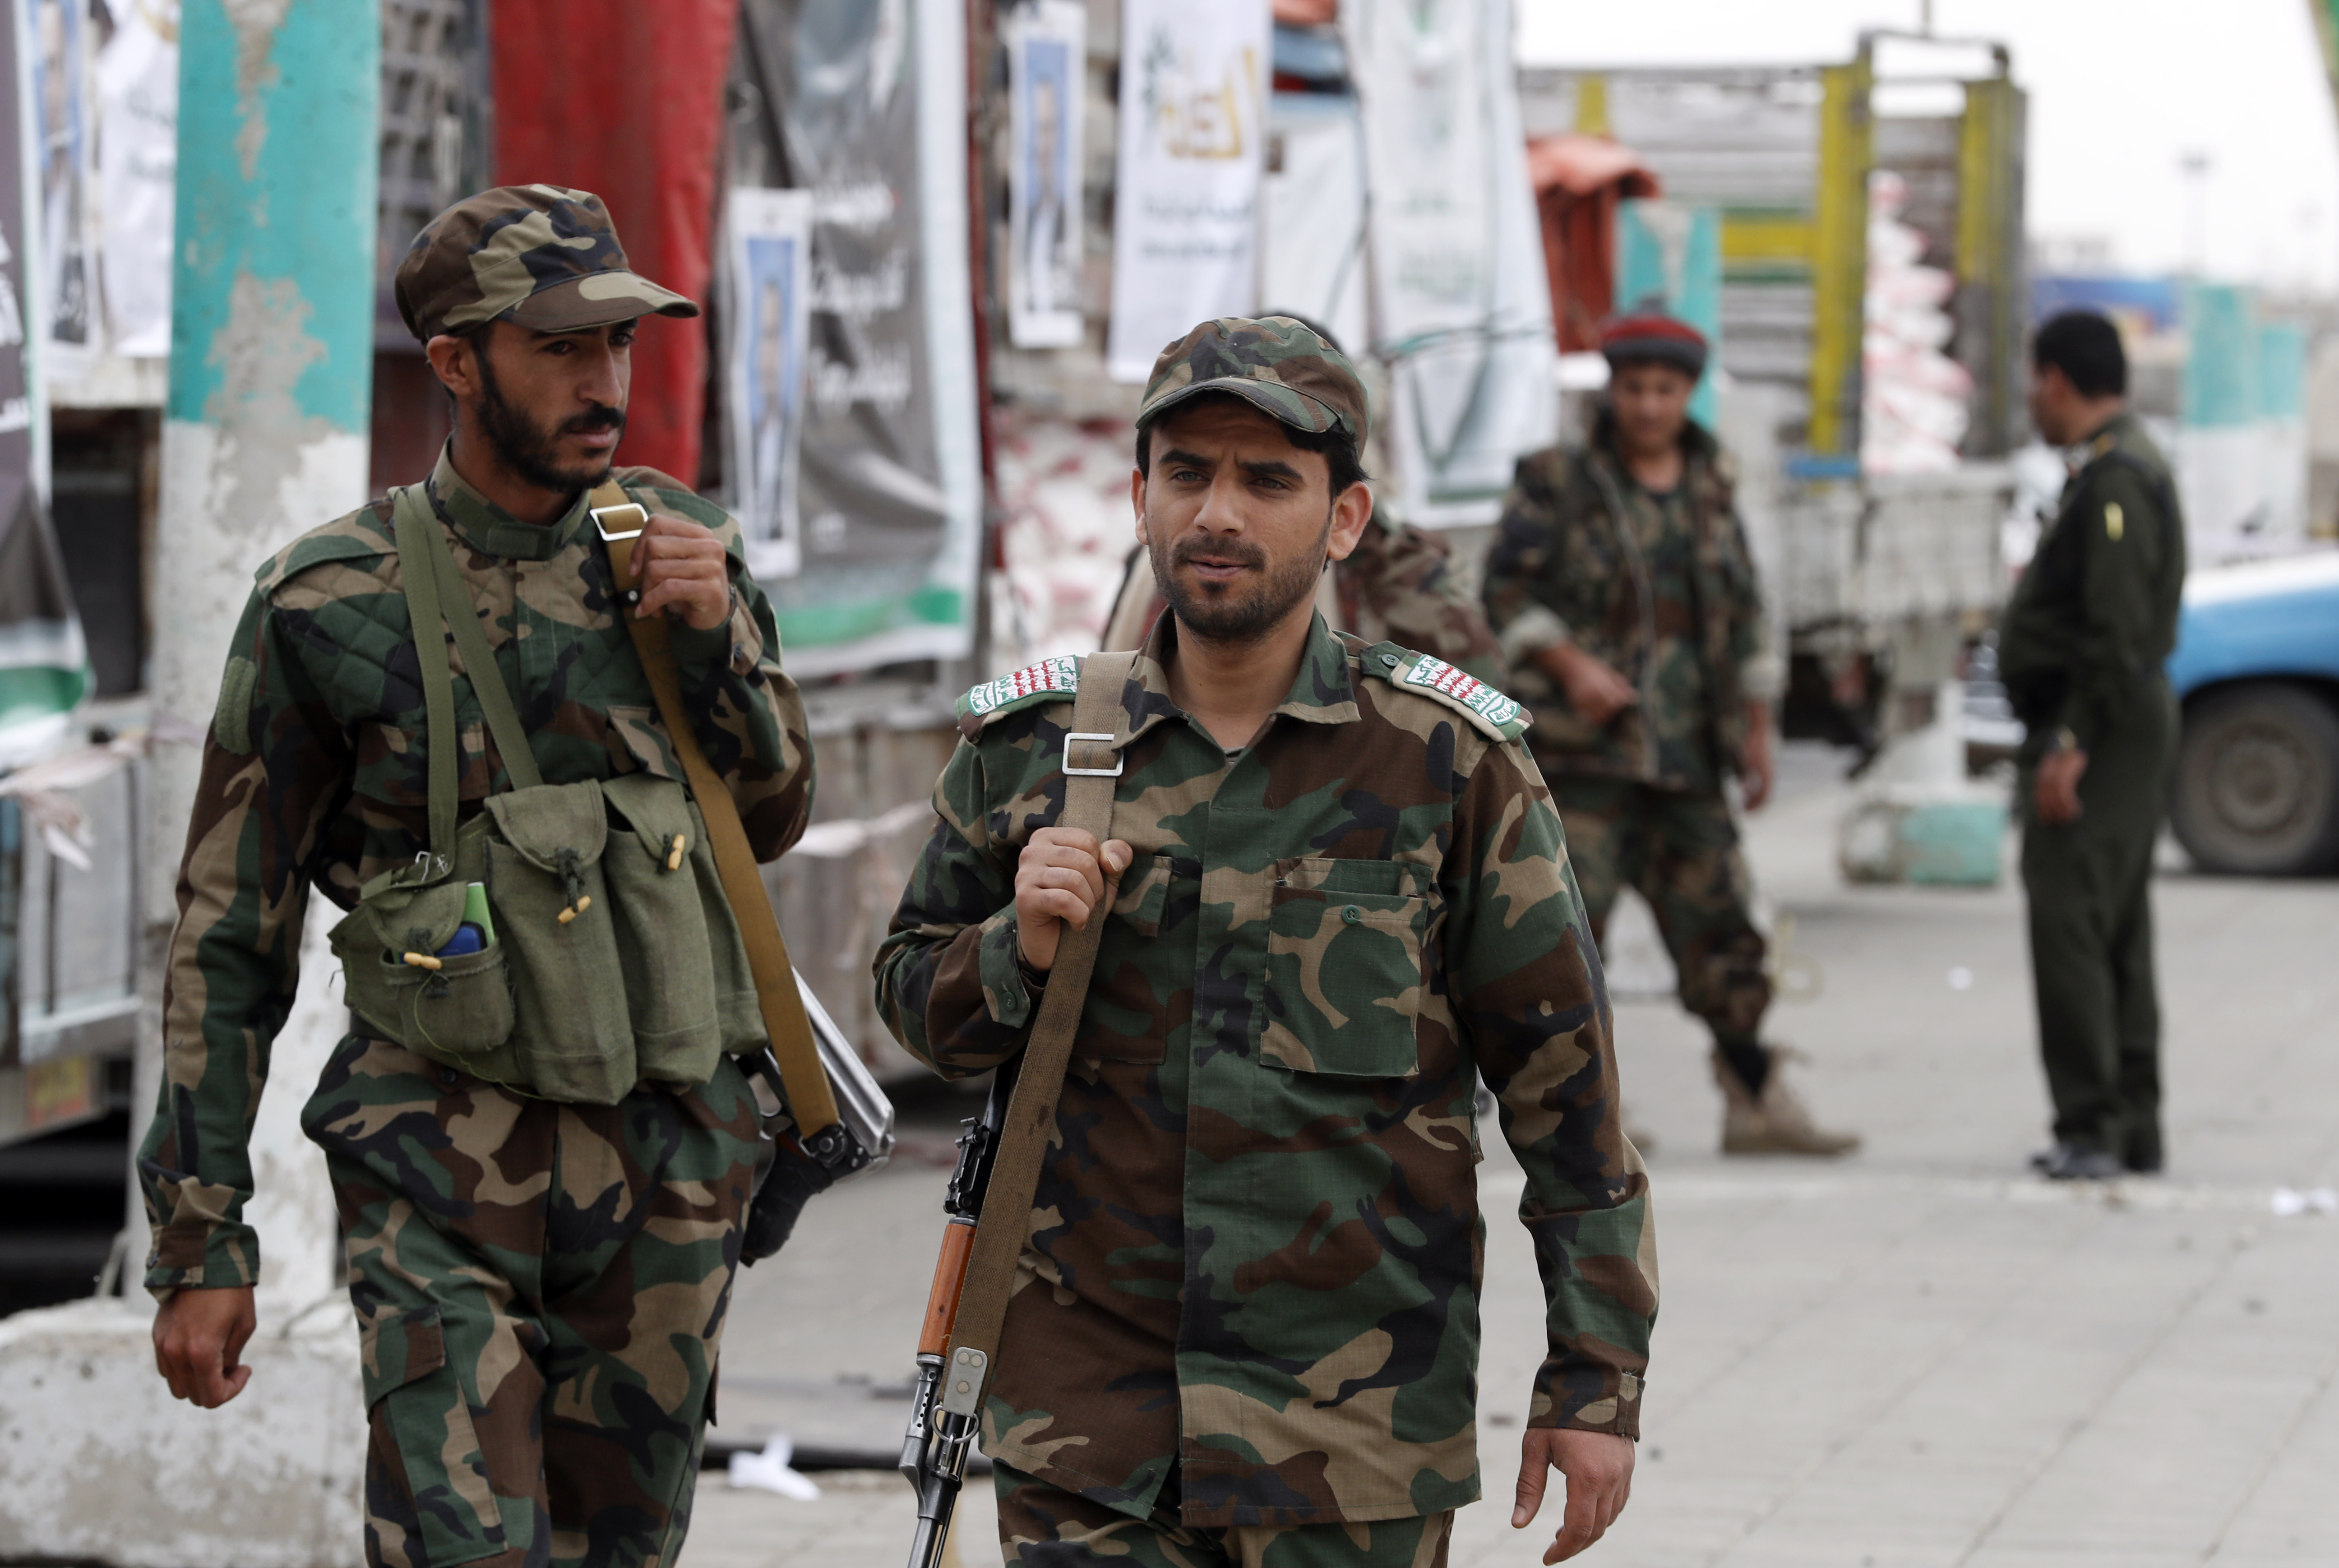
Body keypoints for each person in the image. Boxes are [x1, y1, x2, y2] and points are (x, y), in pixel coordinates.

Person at [876, 315, 1653, 1566]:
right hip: (1091, 1437)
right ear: (1139, 498)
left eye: (1267, 480)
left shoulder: (1447, 765)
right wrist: (1015, 942)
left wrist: (1595, 1381)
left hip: (1352, 1439)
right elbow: (913, 1006)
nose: (1218, 512)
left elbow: (1569, 1095)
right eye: (1187, 473)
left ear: (1345, 519)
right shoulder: (1035, 756)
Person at [137, 185, 815, 1567]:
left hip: (668, 1169)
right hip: (440, 1169)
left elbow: (778, 813)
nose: (604, 384)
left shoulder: (682, 548)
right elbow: (230, 925)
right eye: (561, 348)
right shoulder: (332, 599)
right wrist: (201, 1237)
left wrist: (715, 642)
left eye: (618, 348)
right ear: (455, 364)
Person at [1481, 310, 1858, 1157]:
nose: (1649, 406)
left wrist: (1758, 729)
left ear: (1688, 395)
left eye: (1665, 390)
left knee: (1723, 933)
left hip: (1691, 755)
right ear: (1613, 391)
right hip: (1587, 757)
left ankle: (1756, 1094)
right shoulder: (1559, 480)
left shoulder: (1709, 483)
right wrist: (1571, 662)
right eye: (1634, 389)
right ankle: (1576, 1119)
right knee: (1565, 943)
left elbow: (1746, 611)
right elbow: (1503, 591)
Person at [1997, 310, 2185, 1182]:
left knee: (2075, 922)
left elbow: (2112, 629)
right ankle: (2132, 1124)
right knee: (2115, 925)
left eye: (2037, 380)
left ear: (2058, 380)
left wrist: (2071, 740)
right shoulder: (2120, 466)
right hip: (2114, 717)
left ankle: (2094, 1125)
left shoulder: (2113, 482)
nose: (2034, 397)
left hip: (2098, 724)